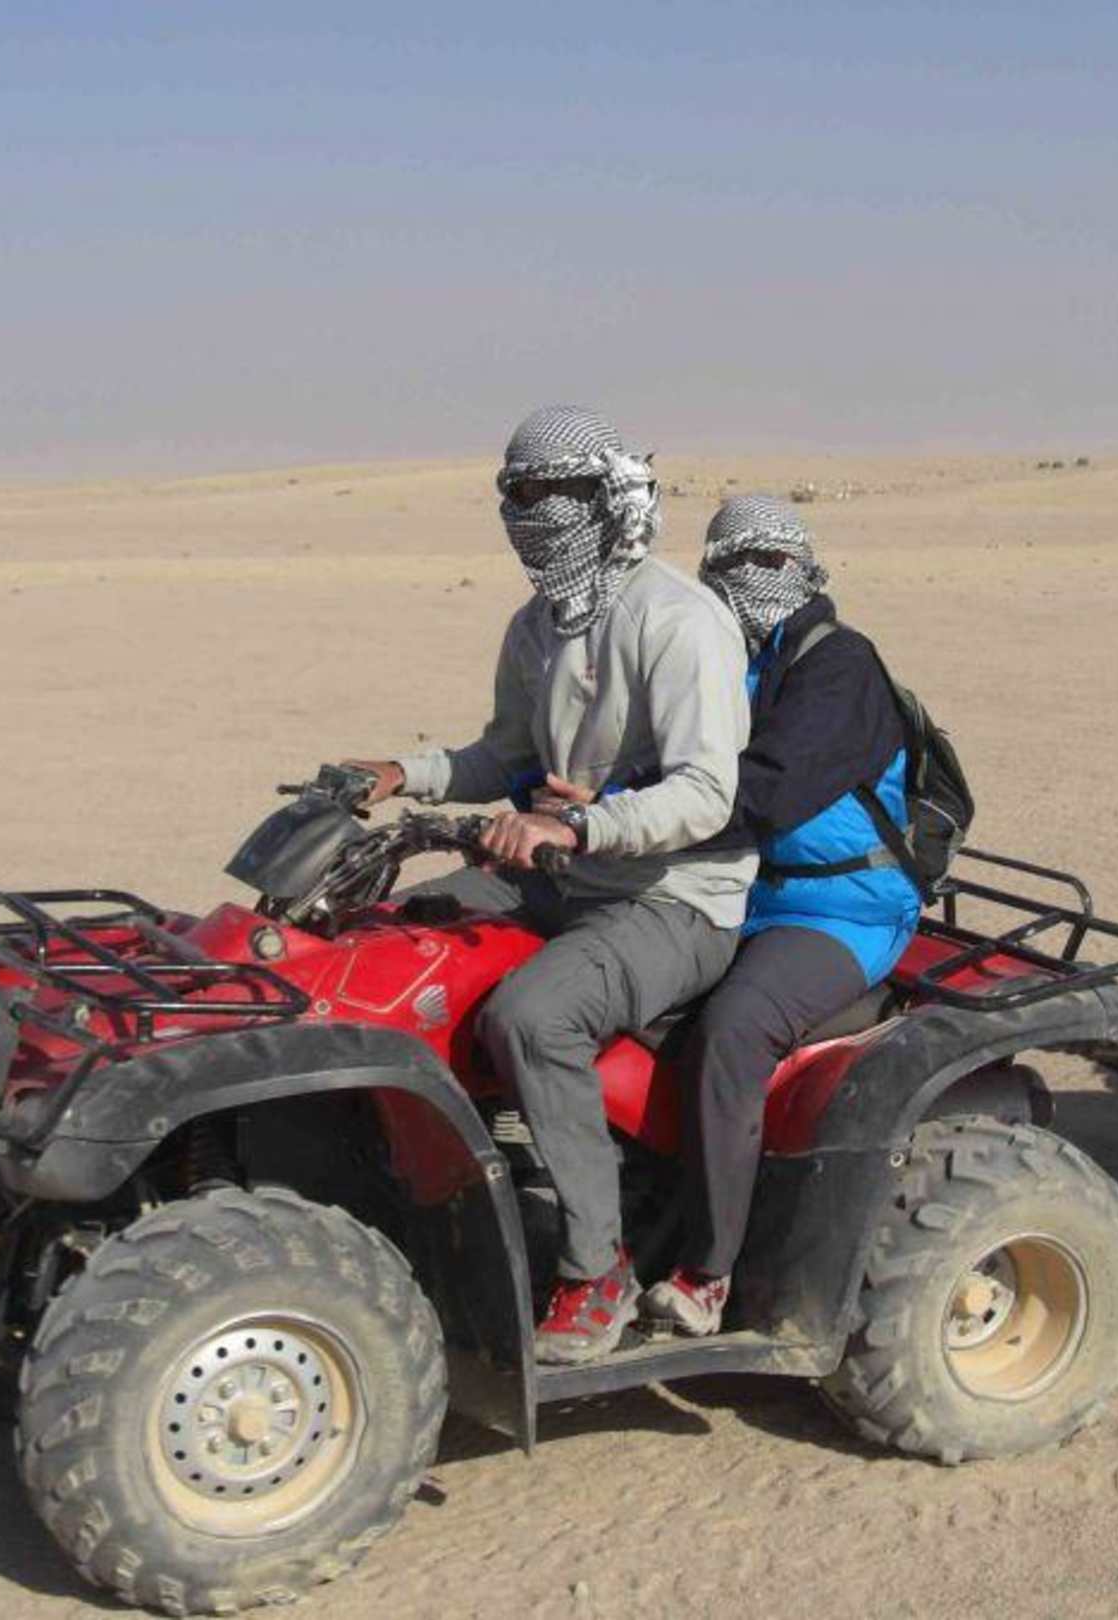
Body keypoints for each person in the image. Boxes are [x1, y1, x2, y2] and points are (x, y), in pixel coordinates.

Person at [345, 405, 754, 1364]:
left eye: (546, 493)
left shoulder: (677, 619)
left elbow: (706, 793)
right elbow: (504, 754)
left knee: (533, 1018)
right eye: (513, 493)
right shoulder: (538, 626)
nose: (527, 513)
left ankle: (595, 1268)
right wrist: (401, 774)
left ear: (604, 498)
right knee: (390, 938)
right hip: (565, 872)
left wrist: (579, 823)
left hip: (673, 896)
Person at [626, 495, 923, 1336]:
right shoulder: (731, 659)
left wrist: (621, 822)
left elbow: (767, 789)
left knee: (735, 1027)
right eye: (729, 562)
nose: (749, 579)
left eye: (769, 561)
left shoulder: (839, 666)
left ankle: (707, 1271)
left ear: (805, 569)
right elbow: (657, 756)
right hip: (739, 890)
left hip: (842, 907)